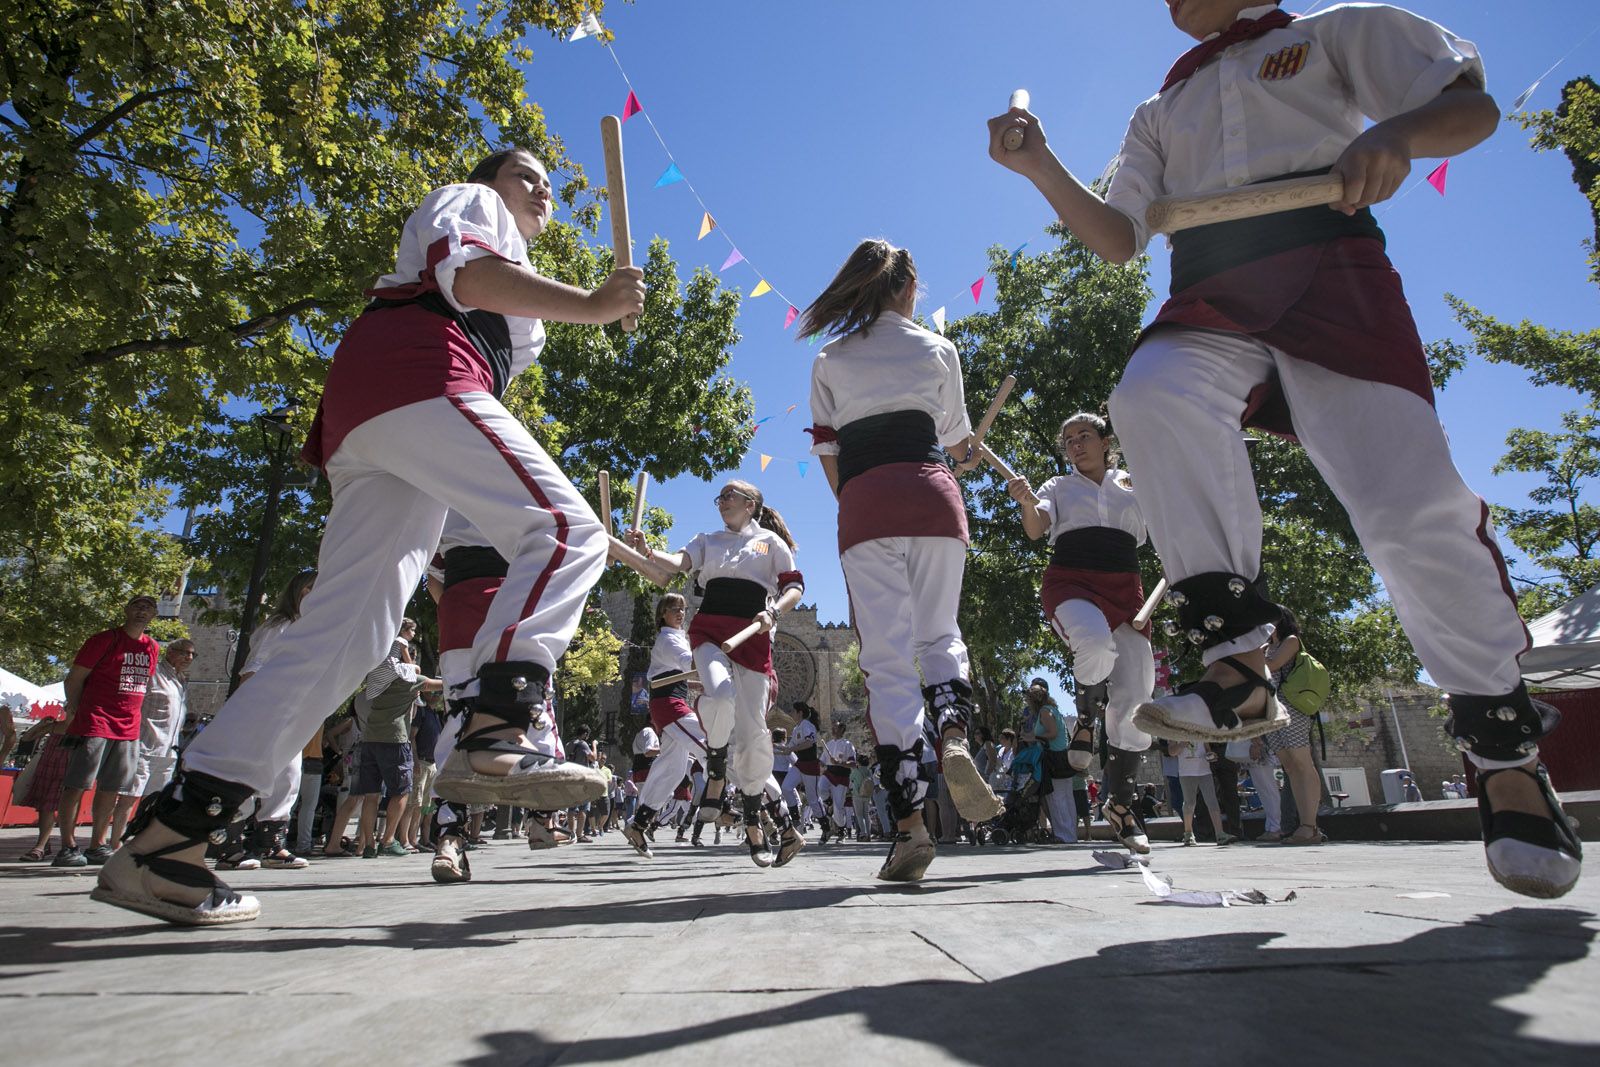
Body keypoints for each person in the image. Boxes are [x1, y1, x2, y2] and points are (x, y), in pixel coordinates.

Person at [986, 0, 1580, 899]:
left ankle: (1502, 745)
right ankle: (1233, 659)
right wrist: (1036, 166)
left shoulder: (1336, 34)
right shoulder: (1159, 109)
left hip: (1331, 273)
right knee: (1150, 392)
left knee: (1405, 508)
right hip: (1210, 292)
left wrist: (1398, 136)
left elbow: (1472, 109)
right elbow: (1117, 239)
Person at [95, 147, 640, 925]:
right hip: (415, 377)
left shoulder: (523, 302)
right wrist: (593, 301)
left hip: (392, 415)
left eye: (549, 185)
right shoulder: (469, 202)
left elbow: (495, 314)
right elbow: (470, 277)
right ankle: (500, 715)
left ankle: (168, 839)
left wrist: (586, 306)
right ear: (492, 182)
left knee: (348, 636)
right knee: (564, 528)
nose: (542, 190)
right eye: (527, 176)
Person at [802, 238, 1002, 882]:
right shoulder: (937, 348)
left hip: (867, 503)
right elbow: (953, 439)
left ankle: (911, 825)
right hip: (936, 495)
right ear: (909, 288)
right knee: (940, 634)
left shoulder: (830, 356)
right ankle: (954, 732)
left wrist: (858, 500)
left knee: (887, 660)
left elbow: (830, 453)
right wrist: (959, 458)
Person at [624, 481, 806, 867]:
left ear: (751, 504)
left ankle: (756, 821)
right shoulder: (707, 539)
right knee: (719, 695)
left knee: (755, 732)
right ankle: (718, 769)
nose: (721, 502)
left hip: (753, 635)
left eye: (729, 496)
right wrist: (647, 550)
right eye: (719, 497)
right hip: (709, 631)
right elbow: (675, 564)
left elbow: (795, 587)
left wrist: (774, 613)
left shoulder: (772, 544)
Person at [1004, 414, 1157, 853]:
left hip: (1127, 590)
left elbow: (1167, 528)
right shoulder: (1058, 487)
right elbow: (1037, 528)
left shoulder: (1134, 482)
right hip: (1071, 582)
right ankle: (1086, 721)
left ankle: (1122, 806)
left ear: (1106, 440)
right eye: (1068, 439)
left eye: (1084, 436)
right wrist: (1025, 502)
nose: (1076, 445)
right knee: (1092, 643)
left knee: (1136, 695)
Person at [53, 595, 160, 868]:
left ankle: (97, 845)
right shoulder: (103, 640)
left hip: (128, 728)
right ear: (126, 610)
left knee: (112, 789)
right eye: (137, 605)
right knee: (77, 785)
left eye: (148, 607)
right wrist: (77, 710)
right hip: (96, 722)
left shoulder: (152, 647)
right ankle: (67, 845)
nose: (141, 611)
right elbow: (74, 678)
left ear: (154, 615)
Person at [224, 572, 318, 870]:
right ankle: (230, 847)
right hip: (266, 712)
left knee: (287, 776)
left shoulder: (306, 631)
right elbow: (252, 670)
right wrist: (249, 714)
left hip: (291, 713)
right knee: (249, 775)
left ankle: (271, 845)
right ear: (303, 592)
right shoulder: (280, 627)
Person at [622, 594, 715, 859]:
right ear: (662, 613)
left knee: (673, 770)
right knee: (710, 747)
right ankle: (723, 803)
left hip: (669, 702)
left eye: (683, 609)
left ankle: (639, 824)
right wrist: (718, 657)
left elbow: (680, 679)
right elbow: (692, 664)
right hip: (670, 707)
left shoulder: (676, 638)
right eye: (674, 608)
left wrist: (704, 683)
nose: (680, 612)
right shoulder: (668, 639)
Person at [116, 639, 194, 830]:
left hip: (168, 752)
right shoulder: (154, 673)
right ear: (170, 652)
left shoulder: (181, 680)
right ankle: (115, 840)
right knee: (130, 796)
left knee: (154, 800)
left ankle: (141, 837)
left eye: (192, 654)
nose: (189, 657)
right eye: (184, 652)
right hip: (145, 746)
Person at [1262, 610, 1324, 846]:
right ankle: (1305, 825)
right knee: (1290, 766)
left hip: (1292, 708)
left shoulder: (1291, 641)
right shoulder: (1265, 648)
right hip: (1272, 711)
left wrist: (1254, 655)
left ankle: (1310, 825)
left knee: (1302, 763)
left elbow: (1272, 665)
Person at [1175, 741, 1234, 846]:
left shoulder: (1201, 731)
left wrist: (1210, 755)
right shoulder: (1176, 732)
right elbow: (1171, 752)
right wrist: (1182, 744)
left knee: (1212, 801)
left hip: (1204, 771)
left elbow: (1207, 749)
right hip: (1186, 772)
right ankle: (1188, 834)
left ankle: (1220, 834)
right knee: (1190, 803)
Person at [779, 703, 825, 832]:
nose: (791, 713)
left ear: (800, 712)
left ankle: (825, 825)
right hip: (800, 764)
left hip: (810, 765)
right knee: (786, 787)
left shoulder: (807, 725)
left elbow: (809, 742)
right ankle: (796, 818)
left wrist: (792, 749)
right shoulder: (796, 728)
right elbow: (791, 747)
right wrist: (780, 748)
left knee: (813, 800)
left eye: (793, 711)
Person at [819, 719, 857, 844]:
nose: (833, 729)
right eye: (832, 727)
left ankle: (842, 831)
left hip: (841, 776)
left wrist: (840, 762)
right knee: (820, 787)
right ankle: (828, 803)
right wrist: (819, 762)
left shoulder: (847, 744)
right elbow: (823, 761)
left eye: (836, 727)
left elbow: (853, 763)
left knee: (838, 808)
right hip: (829, 773)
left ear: (842, 729)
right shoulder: (828, 744)